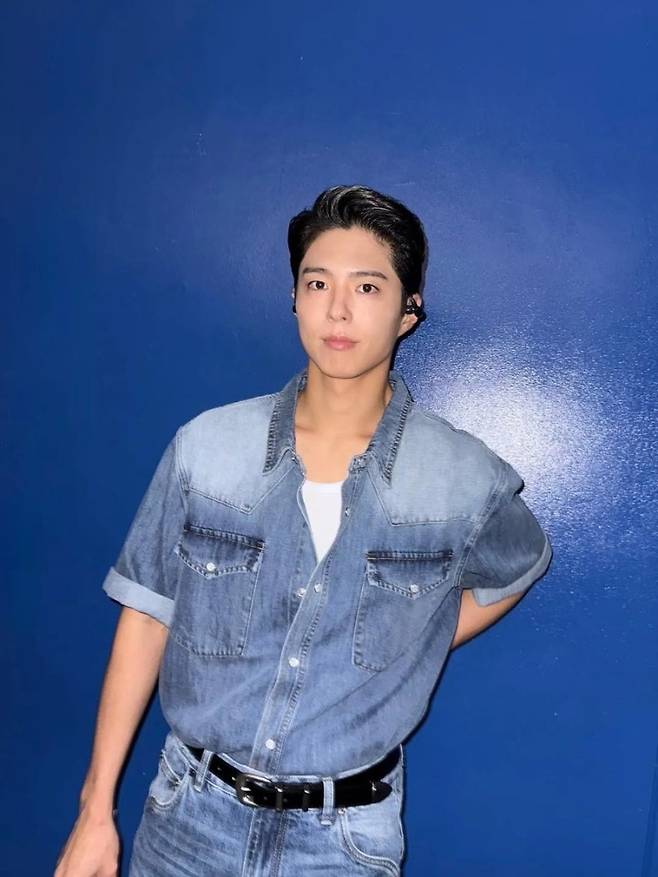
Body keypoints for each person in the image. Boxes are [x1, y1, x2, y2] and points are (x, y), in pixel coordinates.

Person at [54, 184, 553, 876]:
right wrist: (94, 810)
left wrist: (417, 631)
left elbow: (517, 566)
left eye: (368, 287)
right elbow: (146, 614)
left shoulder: (463, 476)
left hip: (343, 842)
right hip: (187, 821)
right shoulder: (208, 449)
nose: (338, 309)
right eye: (318, 283)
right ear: (295, 297)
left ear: (409, 311)